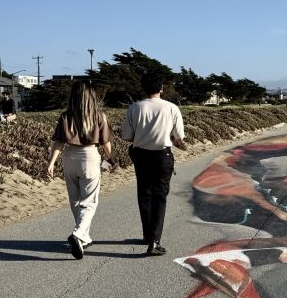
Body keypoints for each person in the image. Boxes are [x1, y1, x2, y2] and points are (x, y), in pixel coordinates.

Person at [46, 80, 113, 260]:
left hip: (69, 157)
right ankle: (78, 234)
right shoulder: (99, 116)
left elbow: (58, 142)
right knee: (90, 201)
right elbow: (106, 143)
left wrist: (51, 162)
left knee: (75, 200)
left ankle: (84, 237)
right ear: (92, 97)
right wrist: (110, 158)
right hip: (90, 156)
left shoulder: (65, 116)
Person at [122, 72, 185, 256]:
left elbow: (127, 136)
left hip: (140, 154)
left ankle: (147, 235)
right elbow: (178, 136)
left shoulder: (135, 108)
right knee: (160, 197)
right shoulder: (172, 108)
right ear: (161, 88)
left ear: (143, 88)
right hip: (163, 155)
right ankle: (155, 240)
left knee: (144, 194)